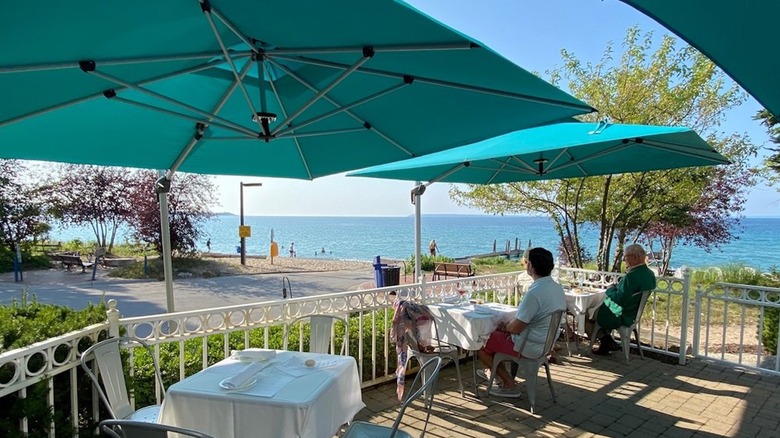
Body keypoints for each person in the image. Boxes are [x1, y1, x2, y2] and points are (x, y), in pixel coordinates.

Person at [476, 247, 566, 398]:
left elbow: (515, 328)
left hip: (529, 346)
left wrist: (504, 326)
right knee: (494, 338)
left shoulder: (535, 292)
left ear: (530, 266)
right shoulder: (556, 288)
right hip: (545, 344)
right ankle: (495, 372)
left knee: (480, 341)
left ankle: (508, 383)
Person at [590, 243, 657, 356]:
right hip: (633, 313)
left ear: (635, 257)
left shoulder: (632, 277)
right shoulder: (649, 274)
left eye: (626, 257)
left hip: (622, 313)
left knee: (588, 313)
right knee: (596, 309)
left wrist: (610, 289)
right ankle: (606, 342)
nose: (624, 260)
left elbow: (618, 299)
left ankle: (605, 340)